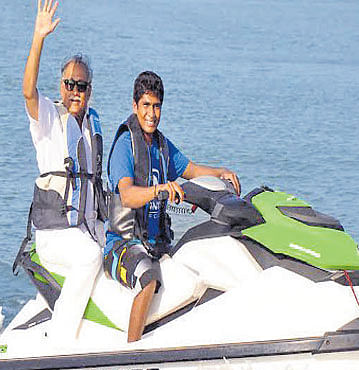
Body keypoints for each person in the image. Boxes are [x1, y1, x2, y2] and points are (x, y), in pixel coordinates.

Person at [104, 71, 241, 342]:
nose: (151, 113)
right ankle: (130, 356)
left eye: (156, 106)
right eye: (146, 105)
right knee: (149, 277)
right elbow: (128, 196)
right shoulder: (125, 145)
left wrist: (221, 172)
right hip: (122, 244)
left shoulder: (162, 146)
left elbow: (191, 169)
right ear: (135, 106)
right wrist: (160, 189)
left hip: (157, 243)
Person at [22, 0, 106, 341]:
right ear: (61, 86)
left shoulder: (91, 125)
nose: (75, 91)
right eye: (69, 84)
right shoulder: (47, 119)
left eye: (81, 86)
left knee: (119, 248)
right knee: (90, 256)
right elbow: (28, 90)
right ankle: (62, 341)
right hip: (55, 235)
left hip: (86, 227)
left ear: (89, 91)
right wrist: (38, 37)